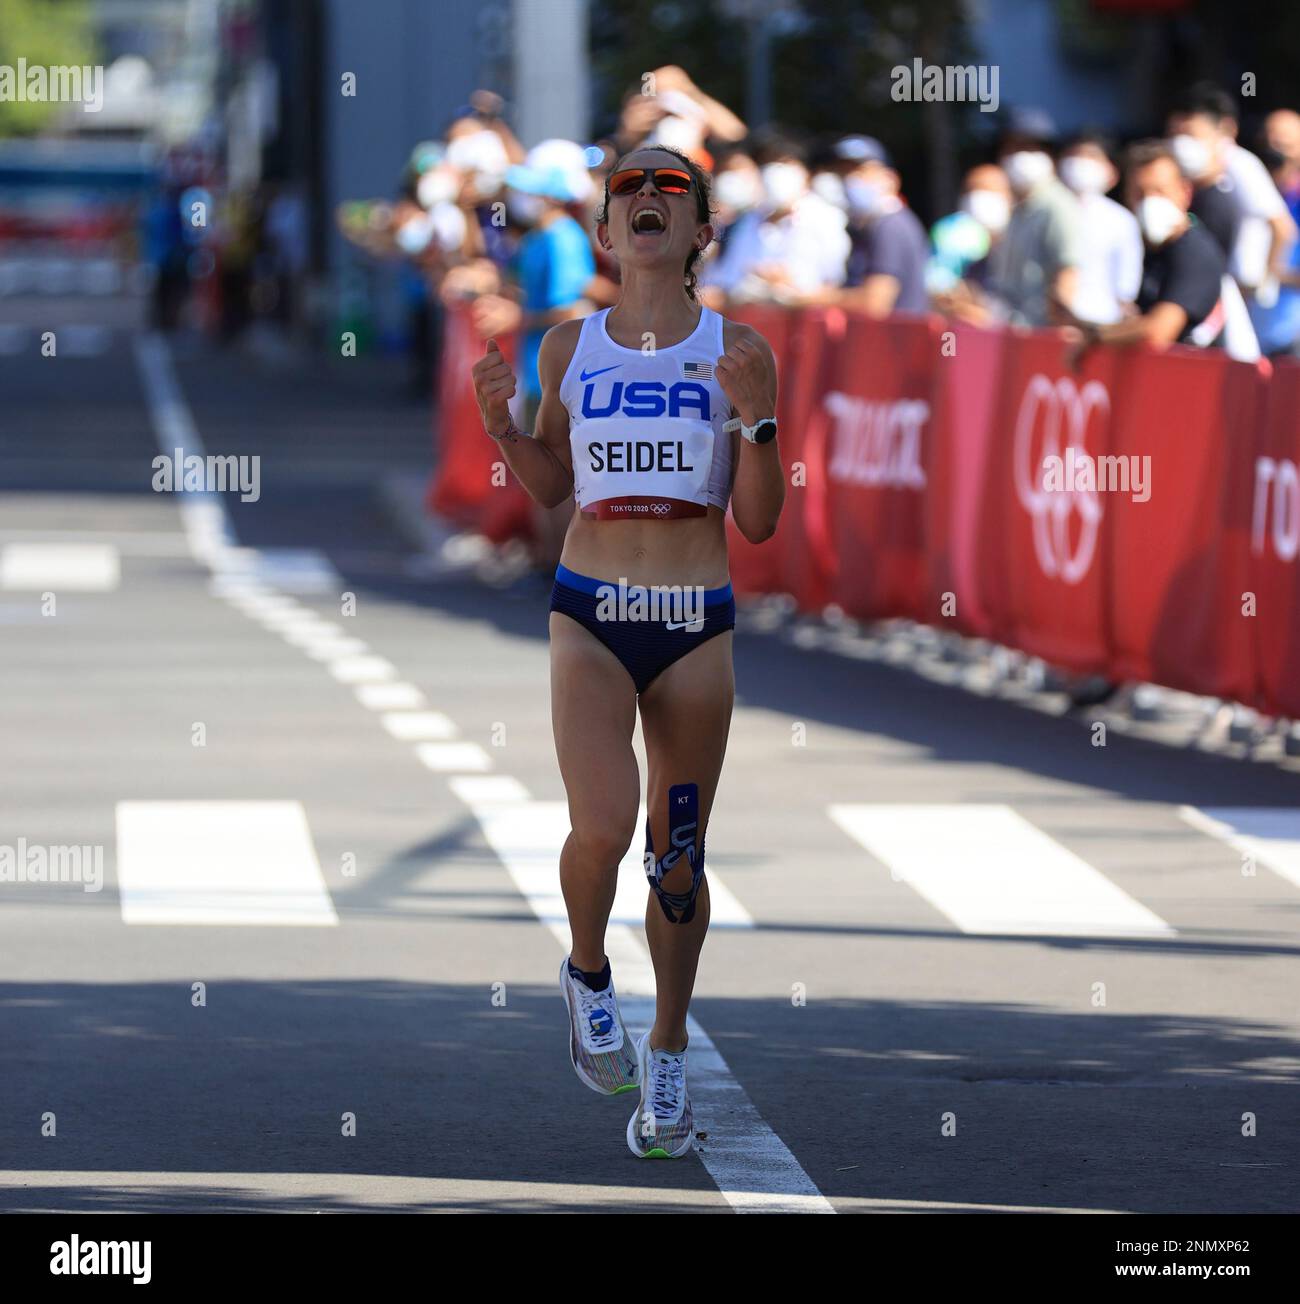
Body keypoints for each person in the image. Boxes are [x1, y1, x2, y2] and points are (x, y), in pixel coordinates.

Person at [470, 144, 783, 1159]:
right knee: (601, 826)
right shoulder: (569, 347)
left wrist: (760, 419)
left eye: (673, 189)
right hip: (591, 608)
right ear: (605, 229)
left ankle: (667, 1051)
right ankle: (586, 974)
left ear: (700, 232)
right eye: (629, 190)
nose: (649, 197)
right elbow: (551, 484)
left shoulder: (740, 347)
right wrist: (503, 427)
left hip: (696, 615)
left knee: (679, 859)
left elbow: (762, 520)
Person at [1064, 140, 1228, 360]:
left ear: (1185, 193)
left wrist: (1096, 336)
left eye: (1160, 191)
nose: (1149, 202)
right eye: (1139, 193)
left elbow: (1158, 331)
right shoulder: (1135, 245)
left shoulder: (1195, 252)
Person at [701, 129, 849, 304]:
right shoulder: (745, 221)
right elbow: (725, 283)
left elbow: (836, 285)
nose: (775, 172)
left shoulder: (828, 219)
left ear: (806, 173)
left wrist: (790, 287)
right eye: (768, 163)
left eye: (785, 162)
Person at [985, 109, 1084, 326]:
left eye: (1029, 148)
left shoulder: (1057, 206)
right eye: (1012, 148)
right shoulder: (1018, 209)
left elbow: (1067, 277)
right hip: (1013, 332)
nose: (1018, 156)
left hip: (1041, 335)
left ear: (1048, 155)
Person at [832, 135, 930, 316]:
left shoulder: (890, 226)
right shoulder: (866, 226)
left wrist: (810, 298)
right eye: (844, 172)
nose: (850, 180)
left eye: (861, 171)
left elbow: (875, 302)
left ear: (890, 178)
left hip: (896, 341)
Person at [1057, 132, 1143, 324]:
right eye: (1074, 155)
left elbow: (1126, 286)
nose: (1081, 163)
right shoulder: (1045, 211)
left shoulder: (1121, 220)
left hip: (1100, 322)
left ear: (1112, 173)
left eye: (1091, 156)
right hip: (1047, 321)